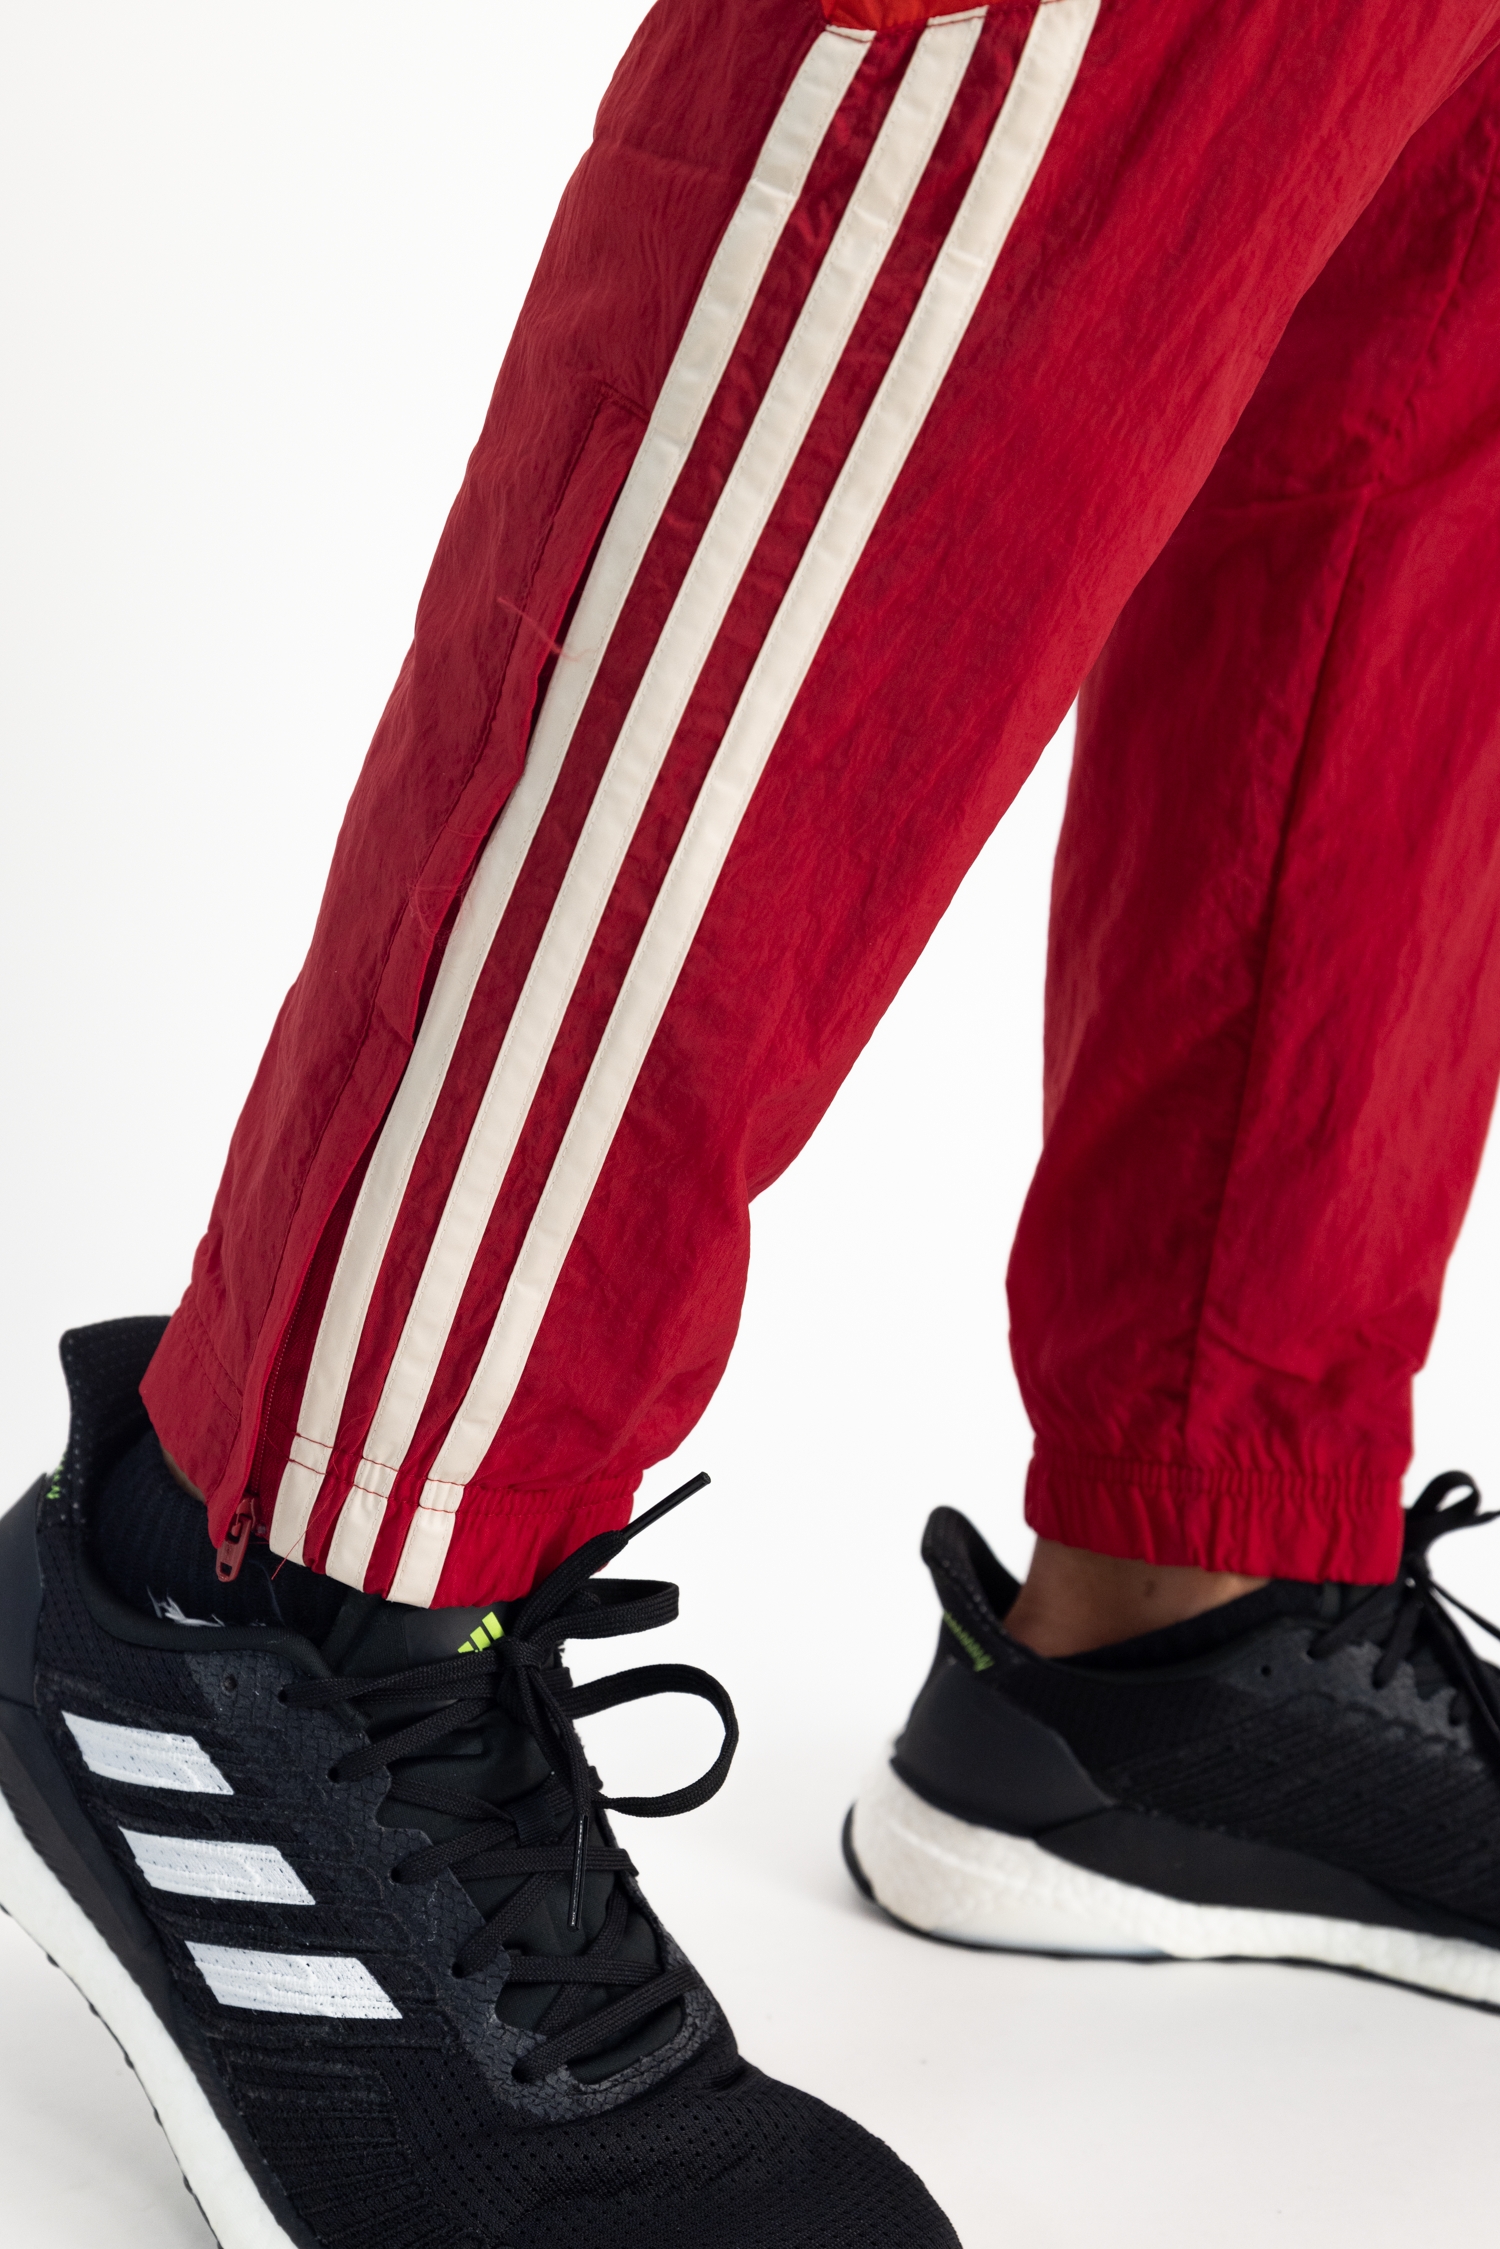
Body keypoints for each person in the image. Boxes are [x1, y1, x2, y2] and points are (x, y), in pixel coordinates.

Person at [4, 0, 1500, 2241]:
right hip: (286, 1550)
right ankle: (293, 1574)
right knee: (1026, 95)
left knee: (1426, 220)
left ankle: (1198, 1581)